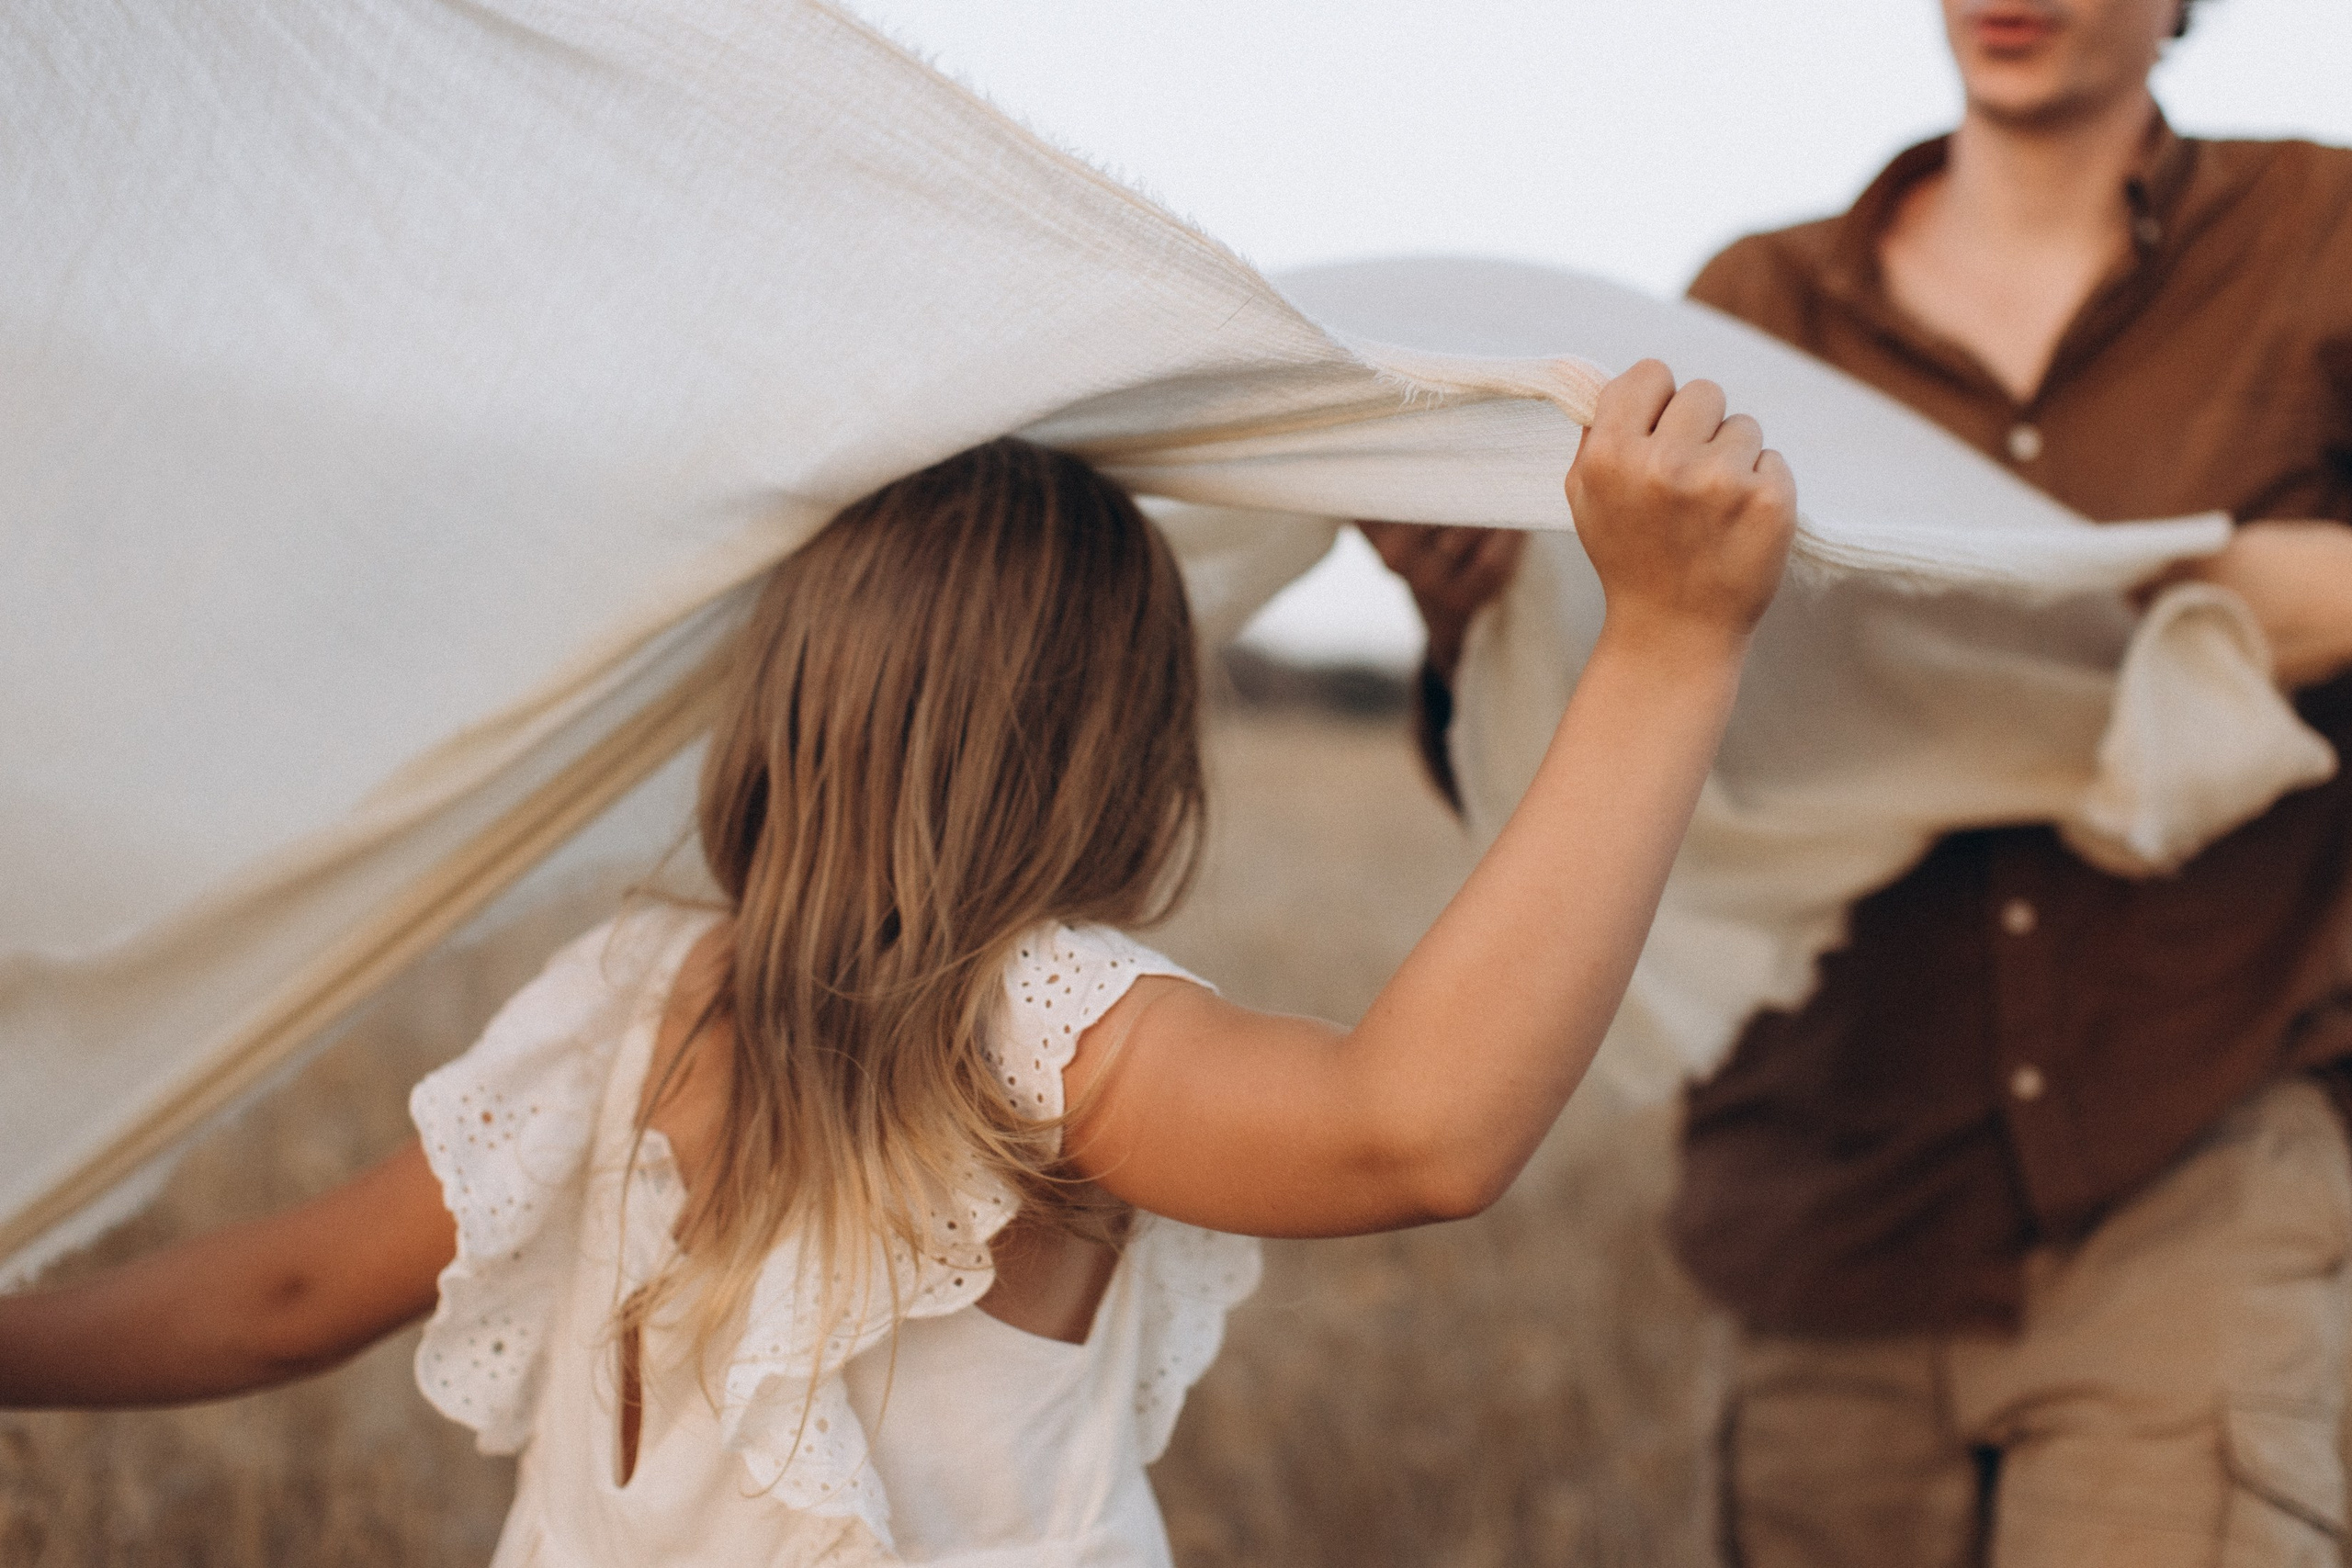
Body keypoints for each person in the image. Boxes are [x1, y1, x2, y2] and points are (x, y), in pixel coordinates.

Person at [0, 366, 1792, 1565]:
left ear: (789, 706)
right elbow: (1414, 1130)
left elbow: (286, 1291)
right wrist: (1667, 642)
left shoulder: (632, 1000)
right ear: (1122, 738)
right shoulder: (1032, 1031)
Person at [1374, 1, 2352, 1562]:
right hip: (1836, 1200)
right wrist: (1477, 627)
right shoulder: (1752, 312)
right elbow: (1657, 758)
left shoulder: (2319, 235)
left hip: (2202, 1155)